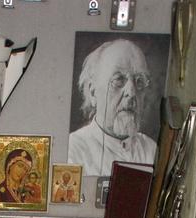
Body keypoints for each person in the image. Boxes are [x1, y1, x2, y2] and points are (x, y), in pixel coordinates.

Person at [67, 39, 157, 175]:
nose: (131, 92)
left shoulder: (150, 149)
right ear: (93, 92)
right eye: (119, 80)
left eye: (139, 81)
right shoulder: (73, 150)